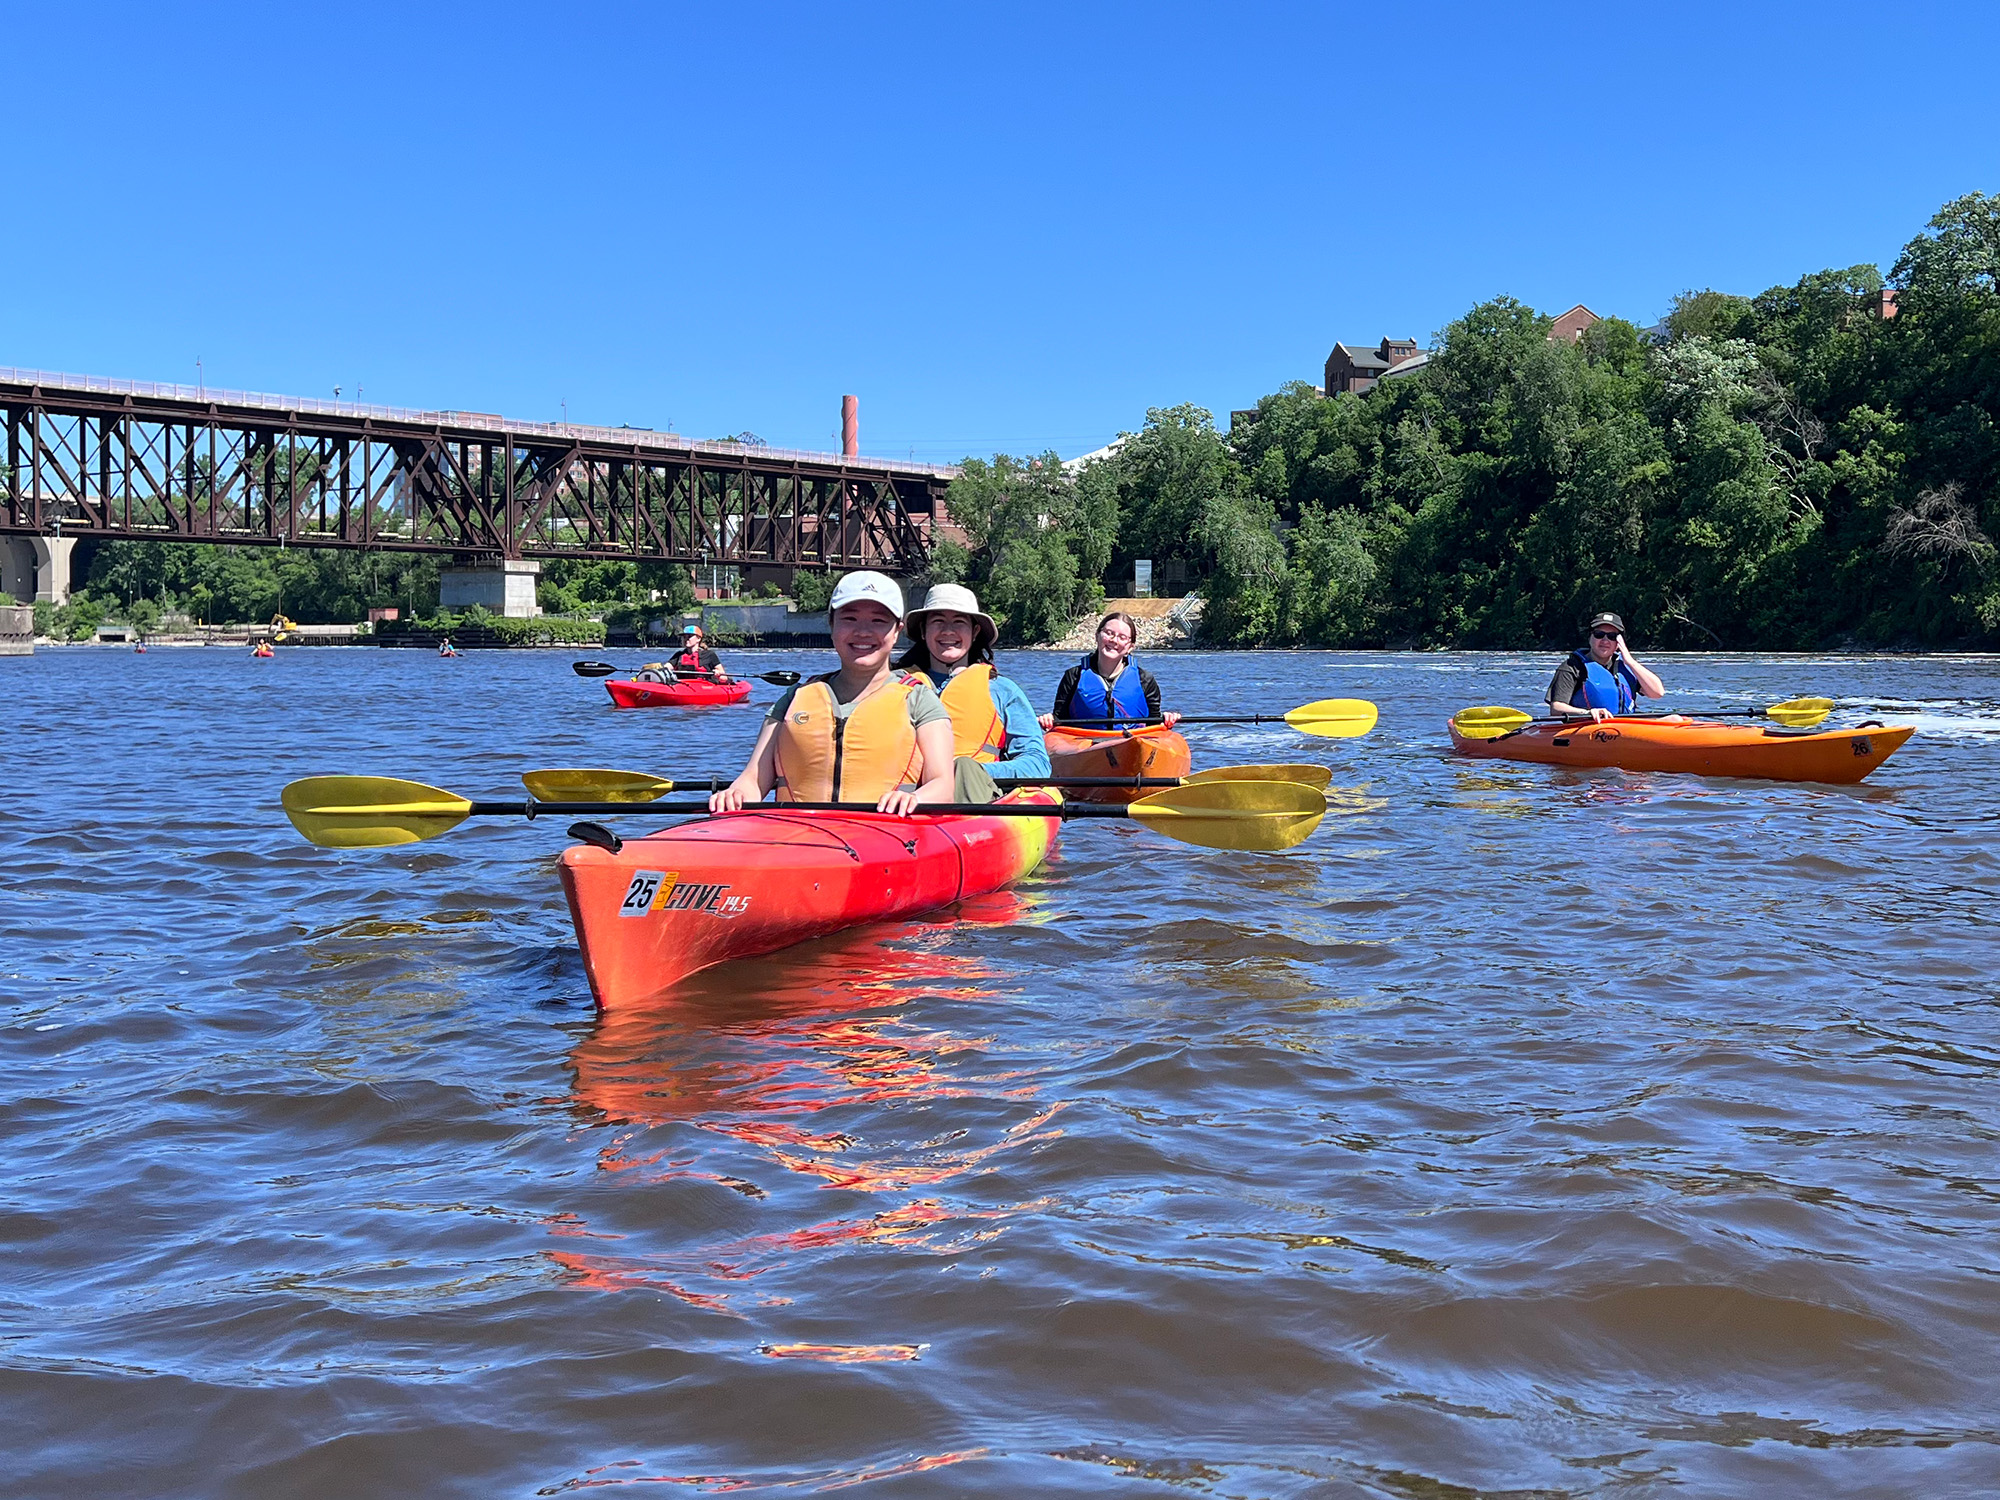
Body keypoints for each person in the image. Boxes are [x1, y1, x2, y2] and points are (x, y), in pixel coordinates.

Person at [710, 572, 956, 816]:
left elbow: (942, 786)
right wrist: (736, 794)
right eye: (849, 619)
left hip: (887, 833)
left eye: (878, 621)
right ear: (832, 624)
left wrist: (914, 798)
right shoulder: (794, 698)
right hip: (797, 837)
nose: (863, 632)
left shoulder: (919, 700)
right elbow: (752, 780)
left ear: (896, 632)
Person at [898, 582, 1053, 789]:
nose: (948, 631)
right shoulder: (894, 686)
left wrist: (971, 771)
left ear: (975, 632)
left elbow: (1038, 765)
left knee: (964, 768)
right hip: (903, 802)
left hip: (976, 797)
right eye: (938, 621)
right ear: (924, 631)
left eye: (959, 622)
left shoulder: (1003, 690)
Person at [1037, 611, 1182, 731]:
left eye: (1122, 637)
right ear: (1097, 637)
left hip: (1132, 741)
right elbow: (1059, 719)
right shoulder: (1073, 676)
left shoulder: (1145, 680)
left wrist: (1167, 720)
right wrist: (1049, 720)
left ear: (1130, 647)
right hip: (1085, 744)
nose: (1114, 640)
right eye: (1108, 633)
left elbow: (1154, 725)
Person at [1547, 611, 1666, 722]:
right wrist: (1587, 713)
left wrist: (1630, 661)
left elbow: (1657, 693)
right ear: (1590, 637)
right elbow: (1556, 708)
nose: (1605, 640)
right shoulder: (1572, 667)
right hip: (1589, 728)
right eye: (1599, 634)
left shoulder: (1626, 668)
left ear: (1619, 642)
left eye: (1612, 636)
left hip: (1624, 727)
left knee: (1675, 719)